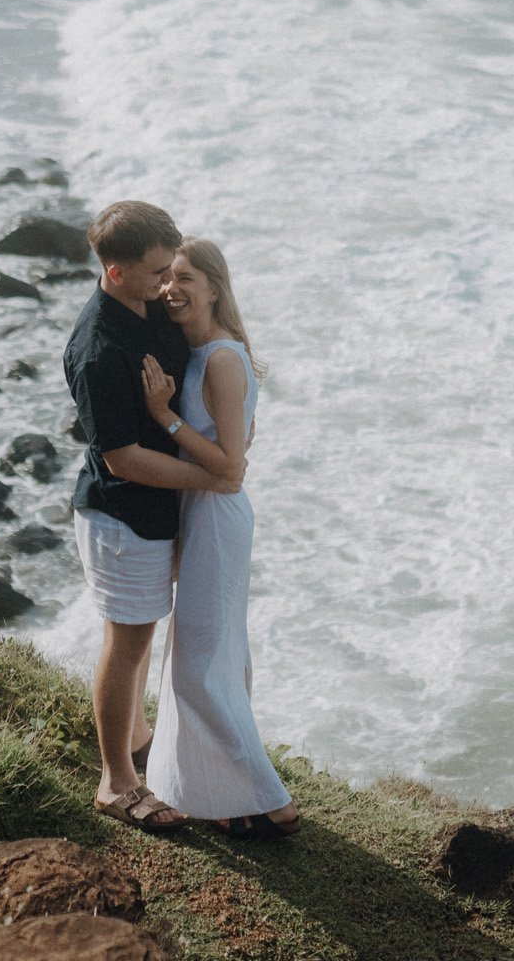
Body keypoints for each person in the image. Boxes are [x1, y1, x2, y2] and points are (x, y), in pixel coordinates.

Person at [67, 200, 239, 832]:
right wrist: (214, 476)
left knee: (141, 632)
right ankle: (116, 782)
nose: (168, 282)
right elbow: (121, 459)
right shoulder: (98, 348)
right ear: (116, 272)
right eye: (157, 270)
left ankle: (137, 732)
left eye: (174, 268)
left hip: (159, 510)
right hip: (122, 517)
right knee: (129, 637)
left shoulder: (141, 310)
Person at [137, 237, 302, 838]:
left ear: (213, 286)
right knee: (216, 659)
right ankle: (227, 797)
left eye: (185, 278)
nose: (171, 289)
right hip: (201, 513)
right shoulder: (202, 352)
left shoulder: (224, 359)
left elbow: (230, 467)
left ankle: (273, 802)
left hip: (217, 517)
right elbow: (238, 443)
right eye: (165, 279)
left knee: (198, 669)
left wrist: (164, 417)